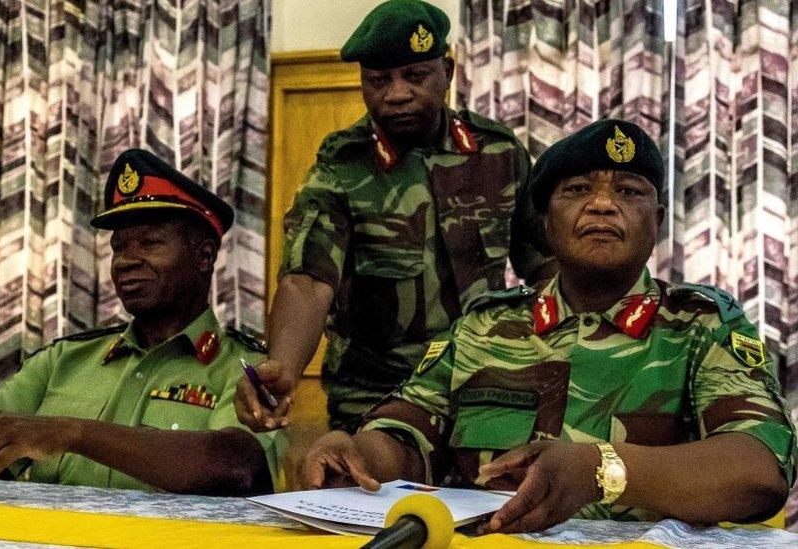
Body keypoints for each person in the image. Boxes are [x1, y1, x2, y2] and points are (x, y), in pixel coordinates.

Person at [301, 119, 797, 532]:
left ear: (658, 219)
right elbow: (406, 434)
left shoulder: (700, 327)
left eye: (628, 191)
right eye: (578, 190)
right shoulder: (485, 327)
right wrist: (358, 453)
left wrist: (603, 470)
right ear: (543, 222)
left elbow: (760, 468)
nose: (603, 204)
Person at [0, 149, 286, 496]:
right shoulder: (62, 361)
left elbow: (237, 465)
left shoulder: (247, 370)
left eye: (150, 243)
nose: (126, 261)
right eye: (119, 247)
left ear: (204, 256)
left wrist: (72, 433)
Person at [236, 0, 552, 432]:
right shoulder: (341, 168)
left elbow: (546, 267)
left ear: (448, 71)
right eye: (378, 80)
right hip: (377, 403)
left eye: (415, 76)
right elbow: (308, 280)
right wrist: (283, 366)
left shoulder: (498, 153)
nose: (396, 93)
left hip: (483, 392)